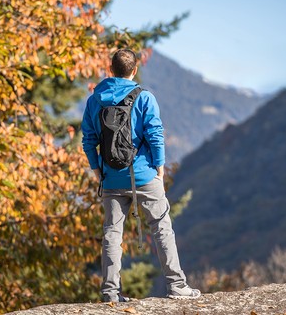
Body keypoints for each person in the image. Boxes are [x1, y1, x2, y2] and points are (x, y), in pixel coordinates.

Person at [81, 49, 201, 302]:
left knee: (112, 233)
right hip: (144, 175)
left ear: (110, 70)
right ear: (134, 70)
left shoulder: (95, 100)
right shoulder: (144, 97)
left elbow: (89, 140)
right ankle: (176, 286)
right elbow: (155, 135)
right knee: (161, 228)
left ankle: (110, 293)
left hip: (111, 177)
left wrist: (96, 170)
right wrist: (159, 167)